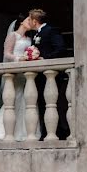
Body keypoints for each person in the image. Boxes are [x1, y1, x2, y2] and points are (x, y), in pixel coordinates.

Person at [0, 16, 39, 141]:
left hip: (26, 73)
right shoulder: (13, 36)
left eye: (32, 21)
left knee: (27, 99)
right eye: (28, 20)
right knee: (14, 98)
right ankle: (2, 130)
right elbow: (7, 54)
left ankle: (24, 132)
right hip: (16, 71)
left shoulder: (30, 39)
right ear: (21, 22)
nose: (30, 22)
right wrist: (20, 59)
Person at [26, 9, 70, 139]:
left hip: (51, 75)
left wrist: (45, 58)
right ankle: (46, 132)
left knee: (52, 103)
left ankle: (57, 132)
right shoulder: (36, 34)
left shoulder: (51, 30)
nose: (29, 22)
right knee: (42, 103)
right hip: (40, 76)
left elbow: (60, 49)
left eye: (30, 19)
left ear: (35, 21)